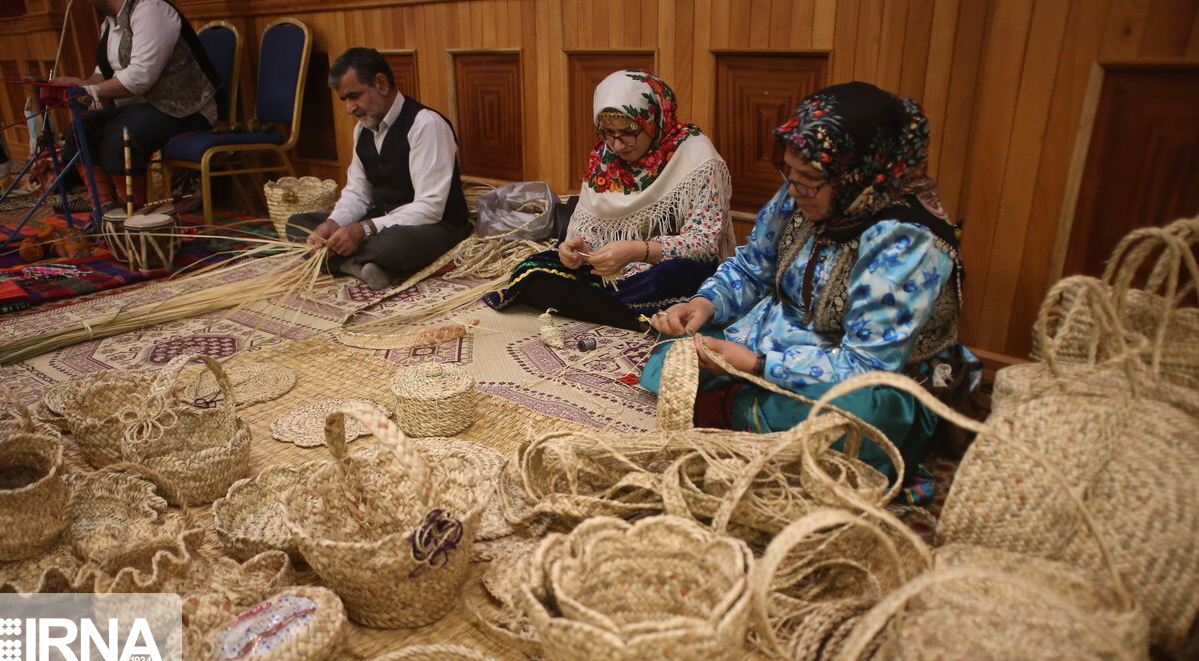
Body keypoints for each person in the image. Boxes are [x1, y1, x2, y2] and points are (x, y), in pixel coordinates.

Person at [642, 81, 979, 480]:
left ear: (858, 173)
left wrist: (753, 364)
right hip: (786, 336)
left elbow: (866, 364)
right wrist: (704, 304)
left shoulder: (907, 240)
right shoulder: (803, 192)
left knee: (857, 423)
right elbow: (752, 268)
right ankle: (741, 405)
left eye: (808, 178)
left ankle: (735, 404)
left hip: (868, 376)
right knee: (678, 347)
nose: (794, 188)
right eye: (790, 171)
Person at [484, 69, 733, 331]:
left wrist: (638, 250)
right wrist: (576, 251)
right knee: (532, 272)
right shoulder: (605, 156)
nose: (618, 145)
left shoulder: (697, 156)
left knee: (679, 276)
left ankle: (613, 310)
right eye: (607, 133)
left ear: (654, 120)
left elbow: (704, 243)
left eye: (629, 132)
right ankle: (631, 316)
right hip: (611, 271)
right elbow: (588, 229)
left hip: (662, 266)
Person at [286, 47, 471, 292]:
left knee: (393, 245)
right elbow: (357, 193)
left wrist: (363, 230)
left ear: (381, 84)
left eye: (354, 96)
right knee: (298, 224)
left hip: (433, 227)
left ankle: (341, 262)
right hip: (379, 224)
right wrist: (334, 223)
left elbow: (430, 208)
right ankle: (361, 267)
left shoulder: (426, 125)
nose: (349, 108)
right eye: (345, 100)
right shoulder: (362, 130)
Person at [53, 0, 219, 211]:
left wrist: (90, 92)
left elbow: (140, 77)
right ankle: (105, 211)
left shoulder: (151, 9)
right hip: (139, 110)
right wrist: (82, 85)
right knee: (81, 129)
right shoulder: (110, 23)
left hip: (186, 109)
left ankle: (135, 214)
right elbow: (102, 73)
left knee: (121, 134)